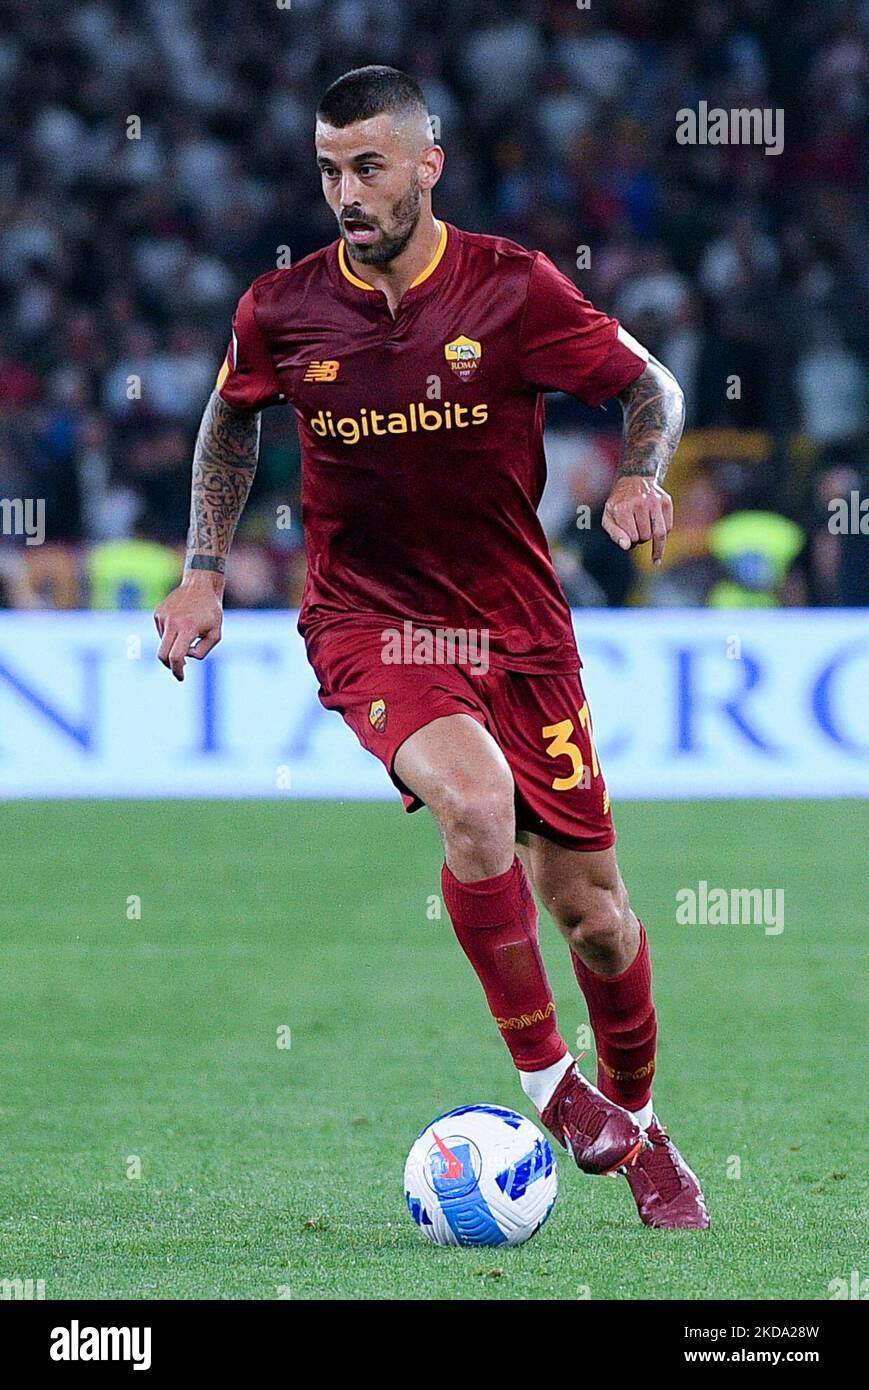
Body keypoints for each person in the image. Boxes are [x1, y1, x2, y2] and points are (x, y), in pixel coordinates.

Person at [155, 66, 708, 1229]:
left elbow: (643, 381)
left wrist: (643, 475)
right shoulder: (283, 307)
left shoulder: (510, 289)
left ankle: (644, 1129)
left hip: (518, 630)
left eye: (365, 167)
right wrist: (205, 568)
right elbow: (229, 414)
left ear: (425, 166)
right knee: (472, 802)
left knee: (598, 919)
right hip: (371, 622)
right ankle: (552, 1088)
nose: (344, 193)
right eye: (326, 170)